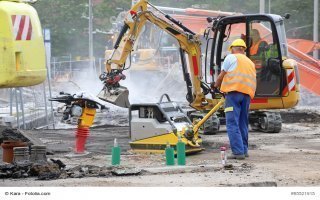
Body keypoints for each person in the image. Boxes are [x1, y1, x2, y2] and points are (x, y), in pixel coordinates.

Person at [213, 39, 256, 160]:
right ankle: (244, 150)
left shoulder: (231, 58)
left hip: (233, 94)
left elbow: (221, 75)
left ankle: (238, 152)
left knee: (232, 123)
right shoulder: (250, 62)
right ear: (243, 49)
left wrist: (215, 86)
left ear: (233, 48)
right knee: (243, 123)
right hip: (246, 95)